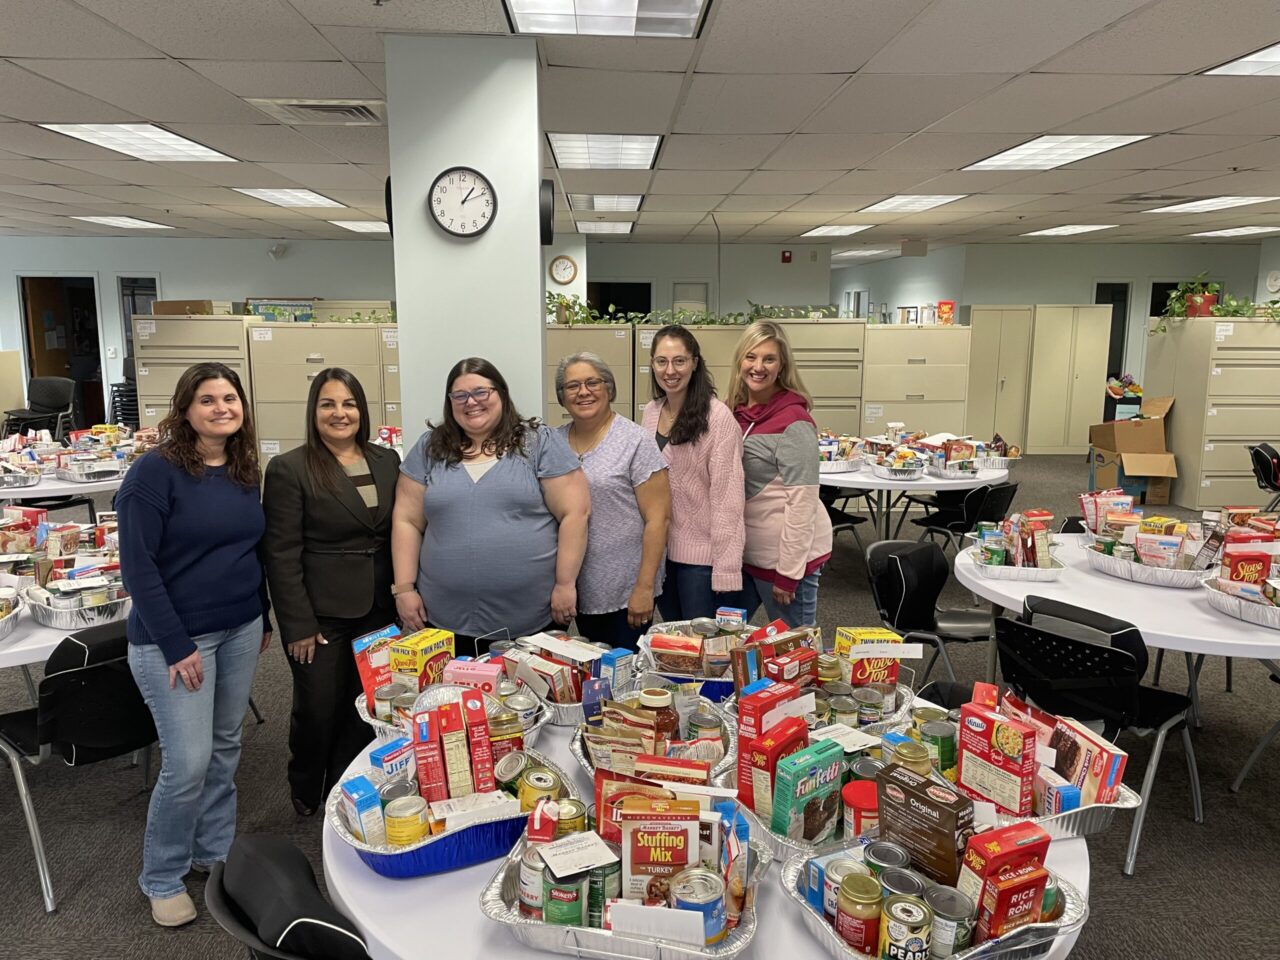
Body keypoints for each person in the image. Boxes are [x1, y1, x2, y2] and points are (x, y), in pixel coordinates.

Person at [116, 362, 272, 928]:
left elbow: (250, 551)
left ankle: (213, 852)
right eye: (207, 399)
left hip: (240, 627)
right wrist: (176, 643)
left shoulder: (242, 467)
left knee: (226, 745)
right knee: (187, 764)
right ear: (185, 409)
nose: (221, 408)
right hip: (176, 640)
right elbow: (138, 569)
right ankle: (162, 875)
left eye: (230, 398)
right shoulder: (153, 473)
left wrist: (263, 616)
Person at [262, 368, 400, 818]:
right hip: (320, 614)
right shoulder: (290, 468)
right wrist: (297, 625)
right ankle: (306, 783)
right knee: (318, 706)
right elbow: (281, 554)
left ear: (362, 410)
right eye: (328, 404)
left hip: (379, 607)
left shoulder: (386, 460)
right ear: (313, 411)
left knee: (365, 705)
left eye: (349, 404)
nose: (340, 413)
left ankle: (345, 783)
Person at [392, 358, 590, 655]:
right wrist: (404, 589)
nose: (471, 402)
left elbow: (575, 514)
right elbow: (406, 520)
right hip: (442, 617)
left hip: (529, 617)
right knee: (451, 685)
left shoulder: (538, 443)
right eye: (460, 395)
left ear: (501, 393)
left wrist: (565, 584)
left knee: (526, 685)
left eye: (481, 392)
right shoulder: (430, 448)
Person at [555, 352, 670, 649]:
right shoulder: (553, 443)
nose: (583, 392)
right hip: (573, 586)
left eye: (592, 383)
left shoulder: (635, 441)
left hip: (625, 590)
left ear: (609, 388)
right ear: (562, 396)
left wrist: (644, 588)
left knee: (620, 670)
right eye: (572, 386)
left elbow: (658, 519)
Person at [728, 320, 832, 628]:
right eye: (751, 357)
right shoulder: (732, 411)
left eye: (769, 359)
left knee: (794, 648)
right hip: (746, 555)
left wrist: (788, 573)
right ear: (740, 360)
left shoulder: (794, 421)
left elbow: (803, 503)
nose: (758, 367)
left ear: (782, 365)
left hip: (785, 561)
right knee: (727, 639)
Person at [640, 325, 745, 620]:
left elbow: (728, 499)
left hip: (702, 563)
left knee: (701, 646)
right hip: (661, 554)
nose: (670, 370)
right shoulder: (651, 412)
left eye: (679, 361)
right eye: (661, 361)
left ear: (695, 363)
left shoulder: (717, 418)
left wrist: (726, 570)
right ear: (652, 364)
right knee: (673, 641)